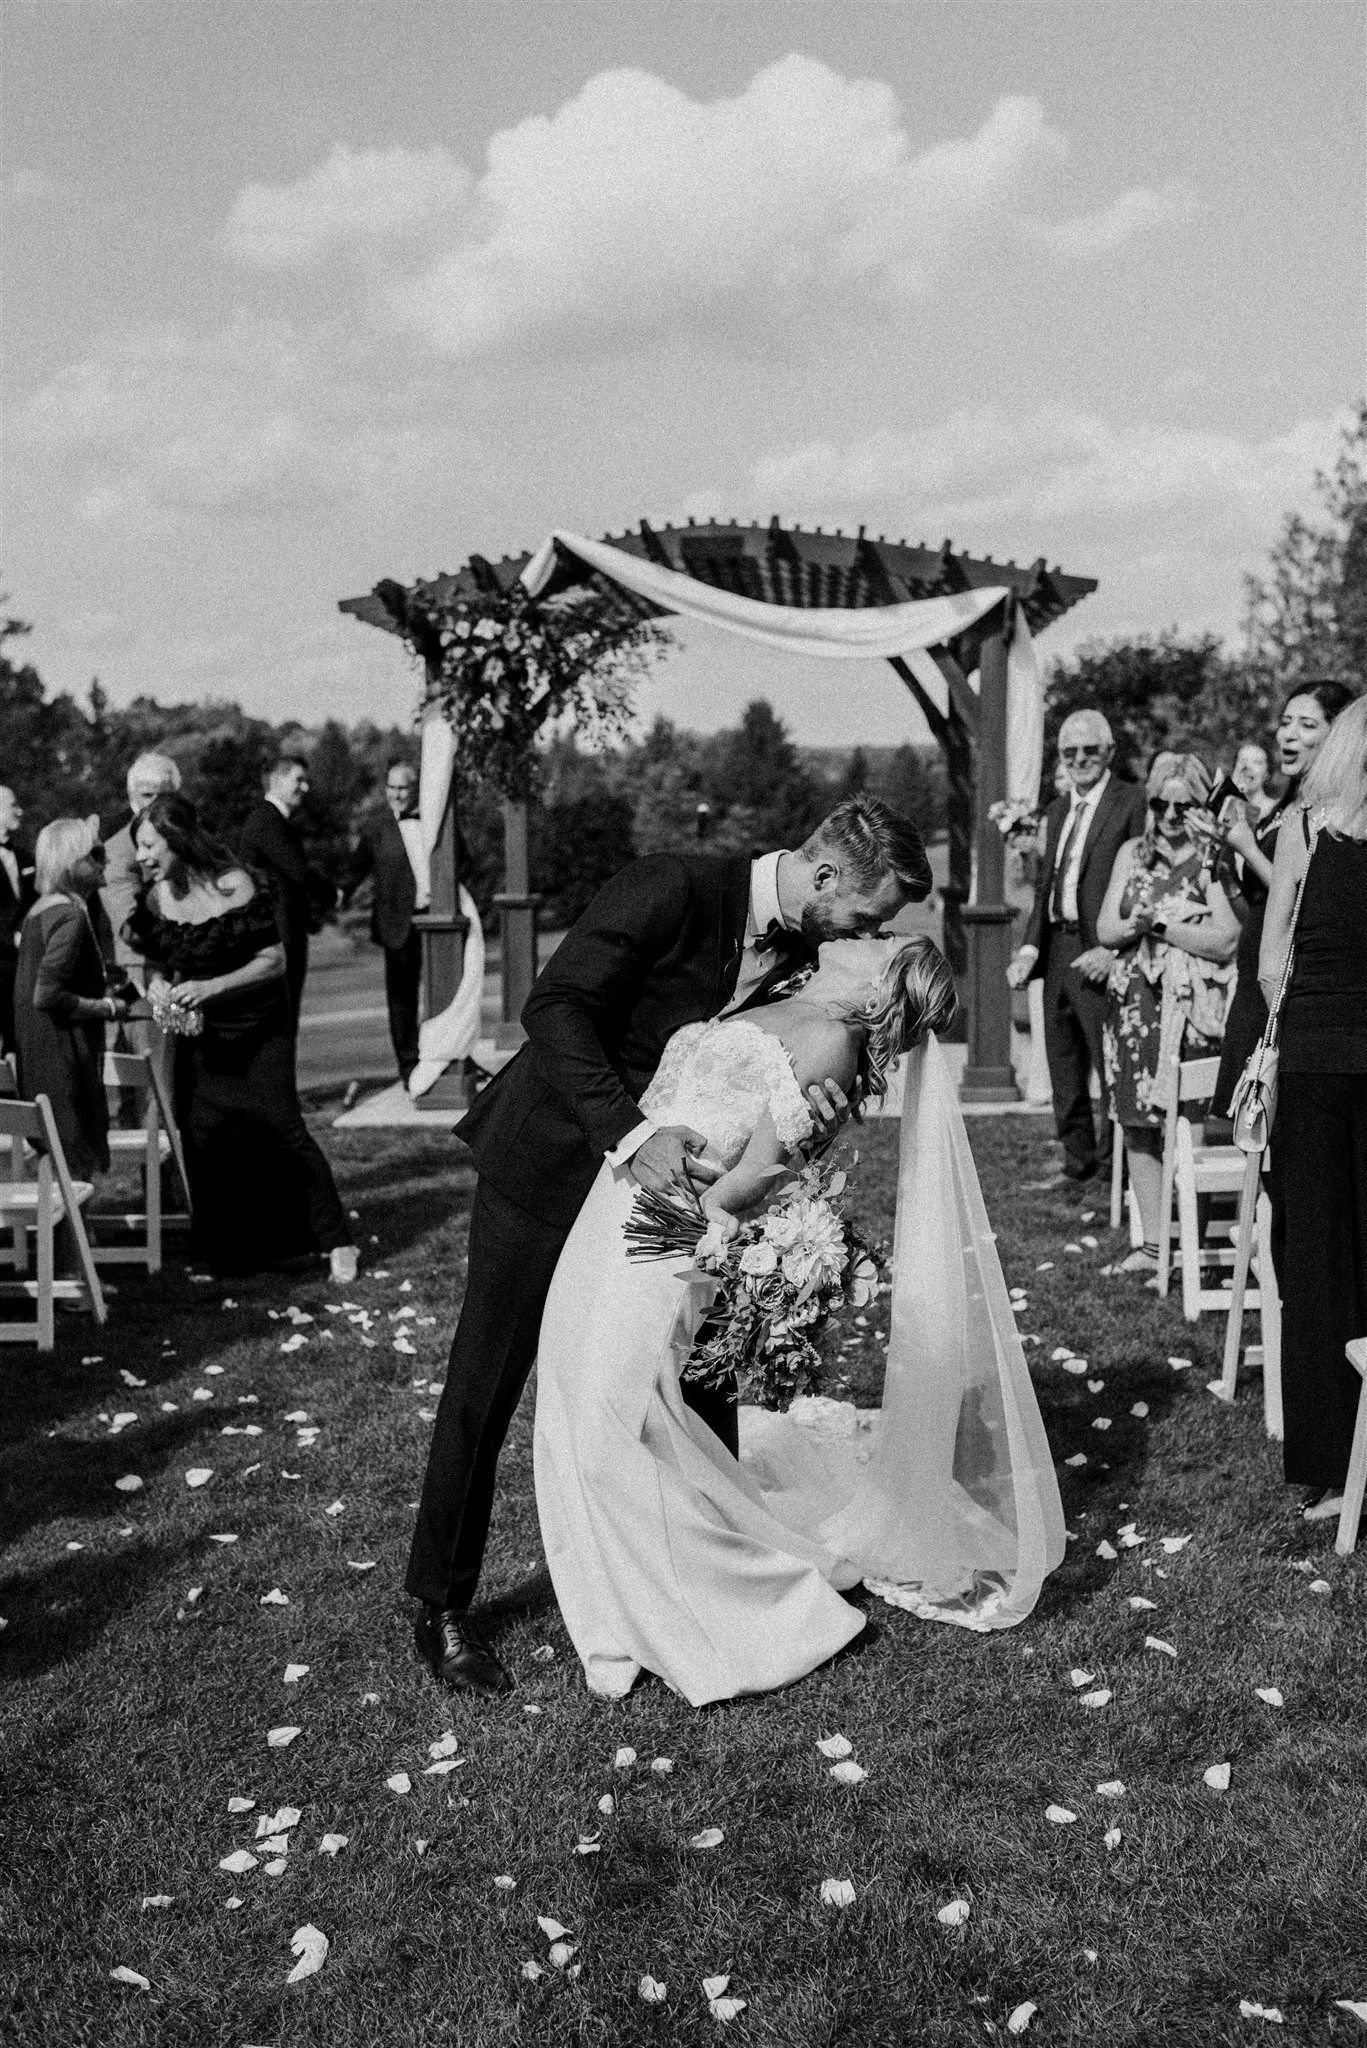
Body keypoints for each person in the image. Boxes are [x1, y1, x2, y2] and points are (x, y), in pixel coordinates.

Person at [406, 795, 933, 1696]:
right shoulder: (671, 885)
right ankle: (441, 1607)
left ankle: (715, 1579)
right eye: (870, 914)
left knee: (699, 1389)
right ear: (825, 874)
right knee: (486, 1386)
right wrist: (628, 1133)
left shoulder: (814, 951)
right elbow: (556, 1006)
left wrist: (812, 1127)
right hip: (556, 1163)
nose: (872, 930)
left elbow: (790, 1056)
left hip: (693, 1211)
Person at [534, 935, 1066, 1705]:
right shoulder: (790, 996)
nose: (863, 934)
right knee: (579, 1402)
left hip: (666, 1226)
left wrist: (690, 1228)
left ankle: (751, 1617)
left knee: (610, 1420)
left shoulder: (828, 1040)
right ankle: (617, 1611)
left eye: (882, 938)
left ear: (880, 987)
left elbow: (758, 1173)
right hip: (617, 1196)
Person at [128, 793, 358, 1284]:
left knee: (282, 1127)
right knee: (203, 1134)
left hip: (257, 1028)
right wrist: (157, 984)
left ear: (178, 840)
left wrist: (211, 986)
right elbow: (152, 958)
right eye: (138, 847)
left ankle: (337, 1240)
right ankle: (227, 1251)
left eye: (149, 845)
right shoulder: (154, 898)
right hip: (201, 1035)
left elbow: (272, 962)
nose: (141, 856)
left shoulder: (235, 885)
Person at [1260, 692, 1367, 1522]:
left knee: (1318, 1259)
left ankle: (1334, 1468)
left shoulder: (1301, 829)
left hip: (1311, 1056)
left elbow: (1270, 964)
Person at [1095, 754, 1240, 1271]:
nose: (1172, 813)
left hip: (1188, 1011)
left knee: (1188, 1124)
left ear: (1200, 805)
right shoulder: (1134, 854)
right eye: (1162, 802)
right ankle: (1153, 1245)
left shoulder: (1211, 858)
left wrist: (1160, 926)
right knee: (1137, 1123)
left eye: (1185, 803)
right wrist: (1143, 923)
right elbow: (1106, 929)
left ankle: (1191, 1248)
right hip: (1134, 1008)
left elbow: (1225, 939)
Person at [1207, 682, 1358, 1121]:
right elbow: (1260, 908)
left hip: (1290, 987)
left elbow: (1314, 902)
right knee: (1252, 1129)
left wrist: (1250, 850)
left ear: (1340, 734)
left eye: (1307, 724)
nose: (1288, 735)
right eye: (1286, 722)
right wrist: (1229, 869)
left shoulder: (1335, 815)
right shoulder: (1287, 805)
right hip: (1255, 978)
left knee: (1287, 1137)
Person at [1008, 711, 1147, 1182]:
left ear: (1108, 752)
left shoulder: (1132, 802)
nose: (1080, 760)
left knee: (1109, 1067)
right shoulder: (1056, 808)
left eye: (1090, 750)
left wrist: (1115, 950)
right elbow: (1046, 887)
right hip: (1058, 949)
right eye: (1070, 752)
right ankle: (1078, 1162)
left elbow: (1142, 884)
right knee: (1063, 1064)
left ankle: (1116, 1170)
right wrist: (1030, 950)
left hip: (1101, 952)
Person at [15, 818, 132, 1180]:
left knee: (63, 1167)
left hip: (40, 1056)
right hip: (63, 1056)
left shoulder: (42, 910)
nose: (106, 861)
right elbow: (47, 994)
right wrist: (107, 1007)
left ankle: (74, 1237)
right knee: (75, 1166)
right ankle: (79, 1238)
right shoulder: (68, 915)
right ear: (70, 864)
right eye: (96, 854)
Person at [101, 751, 182, 1105]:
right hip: (144, 981)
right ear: (132, 796)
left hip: (186, 975)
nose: (156, 804)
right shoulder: (119, 848)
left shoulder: (186, 836)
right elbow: (131, 929)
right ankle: (159, 1160)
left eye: (165, 794)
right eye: (149, 795)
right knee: (156, 1096)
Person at [342, 759, 427, 1085]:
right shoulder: (376, 827)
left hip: (436, 920)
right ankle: (409, 1067)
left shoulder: (434, 819)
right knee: (402, 999)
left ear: (415, 788)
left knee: (444, 989)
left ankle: (444, 1056)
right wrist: (336, 893)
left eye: (402, 787)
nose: (396, 794)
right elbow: (356, 868)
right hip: (397, 925)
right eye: (391, 787)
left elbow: (462, 859)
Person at [237, 755, 334, 1026]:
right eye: (298, 780)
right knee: (282, 1014)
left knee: (287, 1012)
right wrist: (332, 895)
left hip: (284, 930)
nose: (305, 787)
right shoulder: (267, 820)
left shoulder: (274, 820)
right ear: (277, 781)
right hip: (277, 934)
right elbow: (299, 871)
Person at [0, 785, 35, 1060]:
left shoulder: (26, 858)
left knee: (20, 1043)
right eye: (13, 805)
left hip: (21, 968)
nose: (19, 811)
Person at [1231, 741, 1277, 823]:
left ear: (1267, 774)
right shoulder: (1221, 807)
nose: (1247, 766)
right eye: (1243, 761)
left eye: (1257, 762)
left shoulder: (1274, 811)